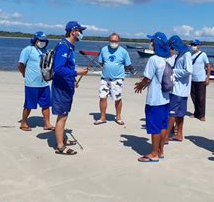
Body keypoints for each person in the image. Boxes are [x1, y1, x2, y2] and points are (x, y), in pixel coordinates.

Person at [52, 21, 89, 155]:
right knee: (62, 116)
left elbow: (68, 67)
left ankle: (61, 139)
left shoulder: (70, 46)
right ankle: (60, 146)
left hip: (67, 85)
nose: (81, 34)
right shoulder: (64, 46)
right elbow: (58, 69)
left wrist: (73, 79)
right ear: (73, 32)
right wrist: (77, 73)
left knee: (64, 115)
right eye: (80, 31)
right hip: (61, 87)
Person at [134, 32, 170, 162]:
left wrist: (140, 85)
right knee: (162, 125)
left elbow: (147, 78)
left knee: (154, 127)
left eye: (152, 42)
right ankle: (160, 151)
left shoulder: (153, 59)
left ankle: (154, 153)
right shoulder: (168, 59)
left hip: (154, 99)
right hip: (166, 99)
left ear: (155, 44)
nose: (151, 44)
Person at [18, 31, 54, 132]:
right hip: (31, 83)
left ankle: (47, 123)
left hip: (44, 83)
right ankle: (24, 122)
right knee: (29, 104)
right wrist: (24, 74)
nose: (42, 43)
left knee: (46, 104)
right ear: (35, 40)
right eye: (40, 41)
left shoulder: (45, 51)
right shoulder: (28, 50)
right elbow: (21, 65)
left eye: (44, 41)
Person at [94, 33, 133, 126]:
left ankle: (118, 117)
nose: (113, 43)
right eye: (111, 41)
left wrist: (123, 72)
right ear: (109, 41)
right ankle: (102, 117)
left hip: (117, 79)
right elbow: (101, 62)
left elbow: (128, 65)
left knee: (117, 99)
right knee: (102, 97)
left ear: (119, 41)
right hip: (105, 78)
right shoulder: (104, 49)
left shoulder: (123, 52)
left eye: (115, 41)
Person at [163, 35, 193, 143]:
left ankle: (166, 136)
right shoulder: (180, 53)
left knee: (172, 114)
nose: (172, 48)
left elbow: (189, 70)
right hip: (180, 89)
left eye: (172, 46)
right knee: (180, 114)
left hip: (179, 90)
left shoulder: (187, 54)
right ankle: (179, 134)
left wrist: (174, 71)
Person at [189, 39, 211, 121]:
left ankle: (202, 115)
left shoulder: (203, 54)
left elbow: (208, 66)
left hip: (201, 79)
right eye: (192, 44)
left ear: (198, 45)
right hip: (192, 79)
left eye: (194, 45)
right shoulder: (191, 55)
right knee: (193, 97)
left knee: (201, 98)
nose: (193, 46)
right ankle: (196, 112)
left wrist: (207, 78)